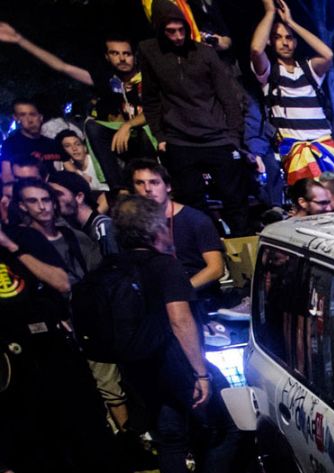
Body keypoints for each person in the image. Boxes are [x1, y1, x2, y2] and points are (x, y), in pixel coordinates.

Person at [0, 218, 160, 473]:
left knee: (91, 427)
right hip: (12, 363)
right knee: (44, 440)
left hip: (54, 348)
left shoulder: (24, 238)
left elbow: (61, 282)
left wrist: (12, 248)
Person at [107, 196, 244, 473]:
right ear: (154, 227)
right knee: (230, 424)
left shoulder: (114, 266)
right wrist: (200, 373)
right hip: (176, 362)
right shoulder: (164, 266)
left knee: (169, 435)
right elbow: (180, 320)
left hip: (140, 367)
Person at [139, 4, 249, 236]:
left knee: (234, 199)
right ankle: (207, 250)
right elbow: (150, 98)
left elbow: (228, 97)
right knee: (191, 201)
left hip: (217, 136)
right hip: (179, 138)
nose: (178, 36)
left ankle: (242, 249)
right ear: (161, 30)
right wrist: (160, 136)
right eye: (171, 31)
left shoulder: (204, 52)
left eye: (182, 30)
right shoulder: (150, 52)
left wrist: (233, 137)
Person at [0, 26, 154, 188]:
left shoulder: (148, 77)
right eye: (115, 53)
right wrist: (20, 40)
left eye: (126, 54)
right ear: (107, 57)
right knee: (91, 125)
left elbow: (155, 109)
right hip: (126, 139)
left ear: (134, 56)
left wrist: (128, 125)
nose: (122, 59)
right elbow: (62, 66)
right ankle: (117, 189)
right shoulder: (108, 82)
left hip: (152, 134)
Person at [249, 0, 334, 187]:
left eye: (289, 37)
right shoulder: (270, 73)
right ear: (270, 41)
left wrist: (291, 23)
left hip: (325, 146)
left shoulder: (308, 69)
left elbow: (327, 54)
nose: (284, 42)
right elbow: (256, 50)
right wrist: (269, 12)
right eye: (278, 37)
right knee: (309, 202)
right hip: (296, 150)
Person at [127, 161, 224, 310]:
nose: (147, 189)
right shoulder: (134, 225)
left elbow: (216, 268)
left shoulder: (195, 219)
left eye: (154, 182)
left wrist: (179, 292)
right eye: (140, 183)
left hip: (198, 299)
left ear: (167, 186)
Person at [7, 178, 98, 288]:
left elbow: (100, 271)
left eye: (46, 200)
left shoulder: (74, 236)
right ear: (22, 206)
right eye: (32, 201)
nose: (42, 207)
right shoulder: (20, 242)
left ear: (54, 203)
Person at [47, 171, 115, 259]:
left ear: (79, 197)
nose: (53, 200)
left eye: (58, 194)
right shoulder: (74, 230)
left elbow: (115, 265)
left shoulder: (103, 226)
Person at [1, 99, 65, 183]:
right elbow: (7, 176)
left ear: (41, 117)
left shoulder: (53, 144)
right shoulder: (10, 145)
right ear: (16, 118)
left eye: (33, 114)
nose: (30, 120)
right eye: (23, 115)